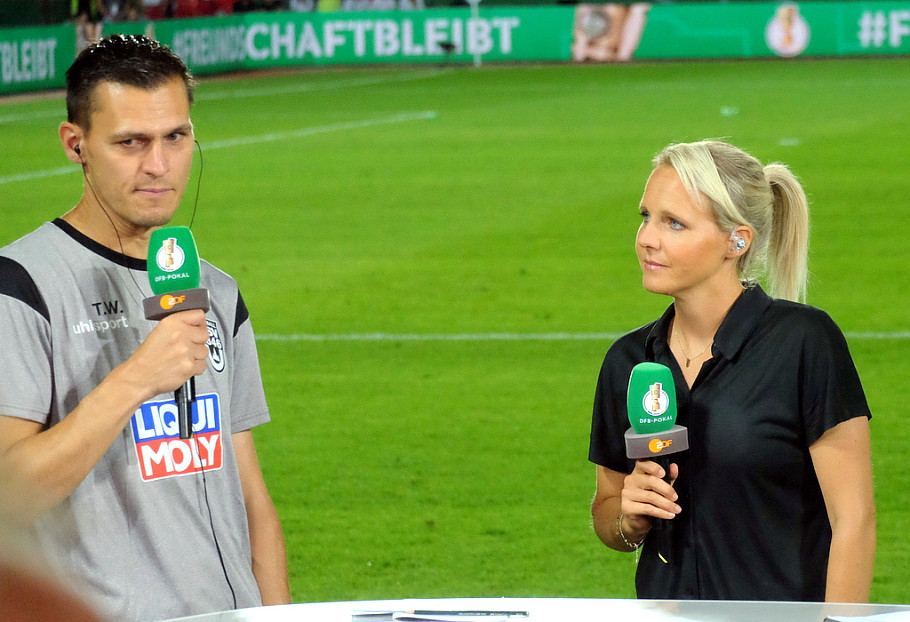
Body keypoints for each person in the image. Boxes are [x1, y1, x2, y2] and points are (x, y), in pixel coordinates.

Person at [0, 34, 290, 620]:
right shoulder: (21, 287)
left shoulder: (216, 289)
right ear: (75, 144)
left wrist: (277, 615)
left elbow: (249, 495)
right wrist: (136, 379)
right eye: (130, 142)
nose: (158, 165)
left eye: (175, 138)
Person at [588, 140, 875, 602]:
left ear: (736, 240)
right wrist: (628, 519)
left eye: (674, 223)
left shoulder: (804, 342)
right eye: (646, 216)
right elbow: (607, 513)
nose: (646, 238)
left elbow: (854, 520)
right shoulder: (629, 361)